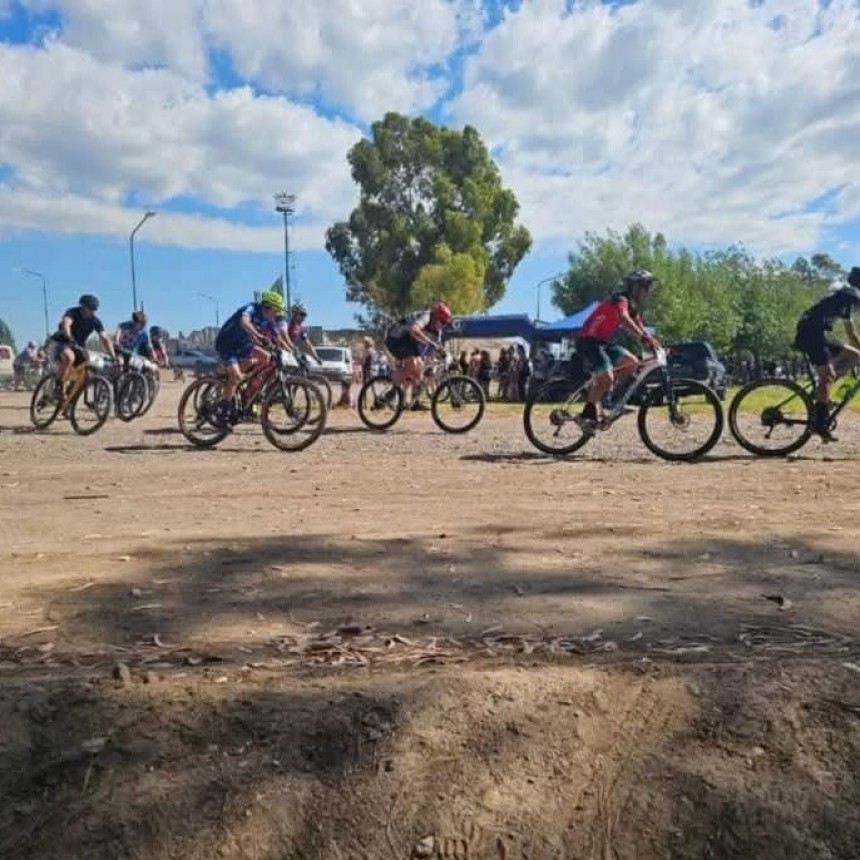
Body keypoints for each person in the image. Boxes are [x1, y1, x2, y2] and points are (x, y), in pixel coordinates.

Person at [575, 269, 662, 428]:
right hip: (587, 341)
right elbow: (624, 319)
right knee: (607, 377)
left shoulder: (631, 305)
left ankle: (608, 398)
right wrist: (642, 339)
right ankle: (586, 415)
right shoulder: (620, 299)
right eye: (646, 287)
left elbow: (639, 326)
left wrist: (655, 343)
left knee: (632, 363)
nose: (648, 292)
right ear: (636, 287)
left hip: (602, 342)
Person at [792, 267, 860, 441]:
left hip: (820, 332)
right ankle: (819, 424)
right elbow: (851, 334)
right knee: (828, 375)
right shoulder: (851, 296)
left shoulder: (847, 294)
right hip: (811, 333)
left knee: (854, 356)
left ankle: (823, 393)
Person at [212, 290, 288, 426]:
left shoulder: (269, 320)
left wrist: (291, 352)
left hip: (243, 345)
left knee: (267, 357)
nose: (277, 314)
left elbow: (278, 338)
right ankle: (222, 413)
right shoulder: (251, 308)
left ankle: (247, 390)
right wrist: (259, 336)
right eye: (276, 310)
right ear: (268, 307)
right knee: (235, 377)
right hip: (226, 343)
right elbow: (244, 322)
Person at [383, 302, 454, 410]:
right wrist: (430, 342)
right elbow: (414, 329)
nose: (443, 324)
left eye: (445, 322)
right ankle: (391, 393)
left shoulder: (438, 329)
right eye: (442, 321)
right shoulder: (426, 316)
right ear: (436, 316)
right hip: (396, 337)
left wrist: (443, 357)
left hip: (409, 340)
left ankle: (414, 402)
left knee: (419, 369)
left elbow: (438, 347)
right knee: (412, 364)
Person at [49, 294, 119, 390]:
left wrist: (113, 356)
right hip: (61, 343)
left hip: (77, 347)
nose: (92, 311)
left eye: (94, 309)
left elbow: (105, 338)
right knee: (70, 357)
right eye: (90, 308)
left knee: (87, 372)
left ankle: (70, 397)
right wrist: (69, 338)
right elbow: (66, 324)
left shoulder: (95, 321)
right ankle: (58, 384)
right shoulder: (72, 312)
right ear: (82, 306)